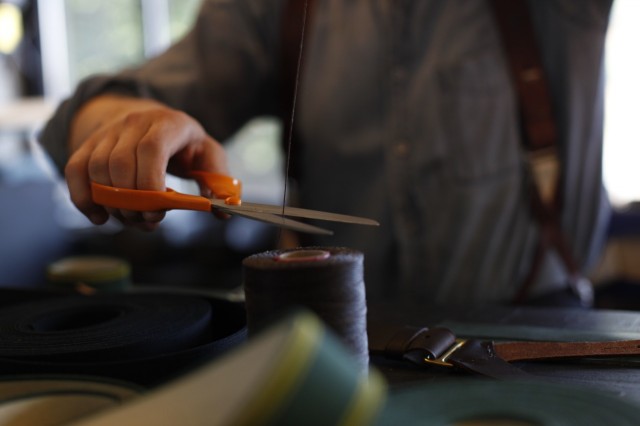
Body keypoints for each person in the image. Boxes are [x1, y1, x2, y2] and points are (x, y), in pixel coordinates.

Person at [38, 0, 613, 305]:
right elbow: (91, 109)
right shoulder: (278, 10)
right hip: (339, 354)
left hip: (536, 343)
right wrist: (128, 127)